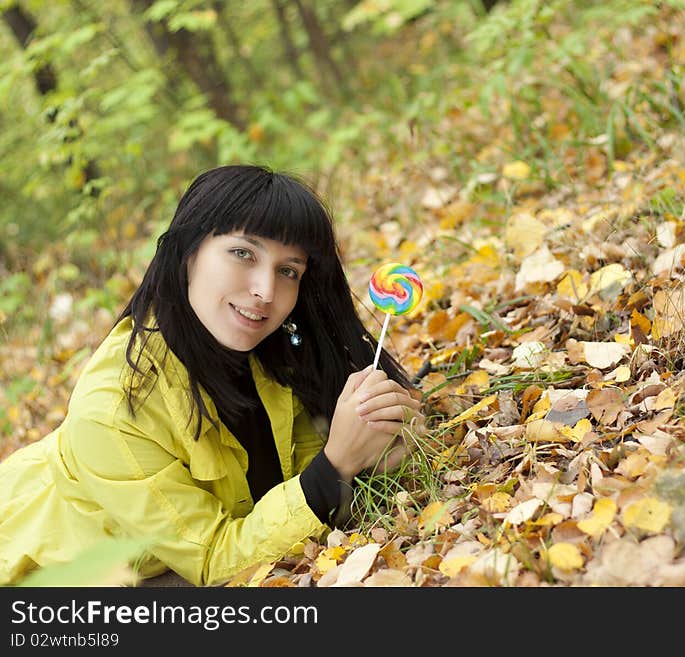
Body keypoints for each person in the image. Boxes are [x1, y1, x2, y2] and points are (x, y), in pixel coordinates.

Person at [0, 164, 424, 587]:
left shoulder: (271, 352)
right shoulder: (114, 410)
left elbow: (299, 470)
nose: (266, 291)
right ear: (189, 252)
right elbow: (212, 562)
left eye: (288, 270)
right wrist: (335, 467)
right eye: (243, 253)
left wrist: (374, 452)